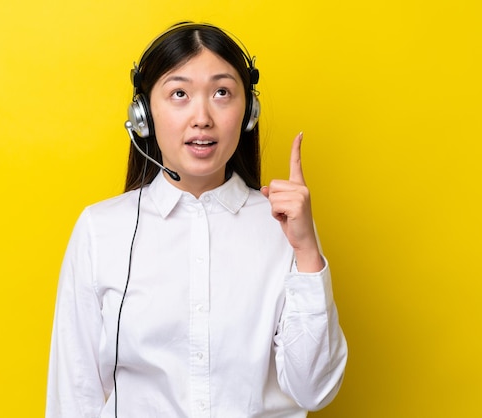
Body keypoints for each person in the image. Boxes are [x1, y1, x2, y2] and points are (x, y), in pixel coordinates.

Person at [46, 22, 347, 418]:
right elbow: (75, 396)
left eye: (222, 92)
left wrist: (307, 251)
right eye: (179, 94)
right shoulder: (101, 231)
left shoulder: (285, 229)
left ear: (248, 112)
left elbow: (314, 391)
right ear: (143, 114)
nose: (201, 117)